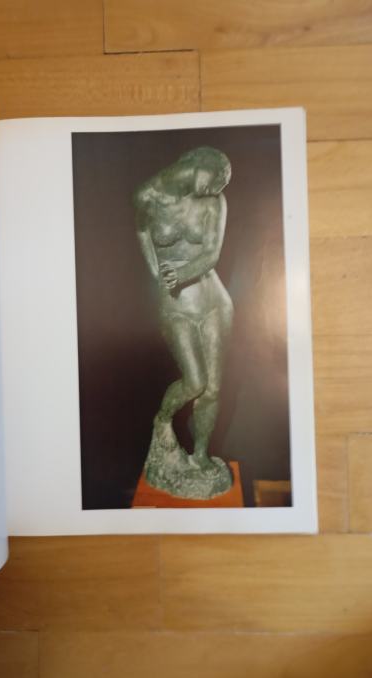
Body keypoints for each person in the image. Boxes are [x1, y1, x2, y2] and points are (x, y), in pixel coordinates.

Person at [133, 146, 233, 489]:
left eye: (223, 184)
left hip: (214, 300)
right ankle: (163, 419)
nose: (218, 186)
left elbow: (212, 253)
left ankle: (200, 455)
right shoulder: (147, 196)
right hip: (176, 305)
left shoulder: (214, 202)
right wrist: (157, 275)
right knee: (194, 382)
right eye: (218, 177)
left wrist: (182, 274)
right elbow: (142, 232)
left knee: (213, 389)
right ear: (201, 164)